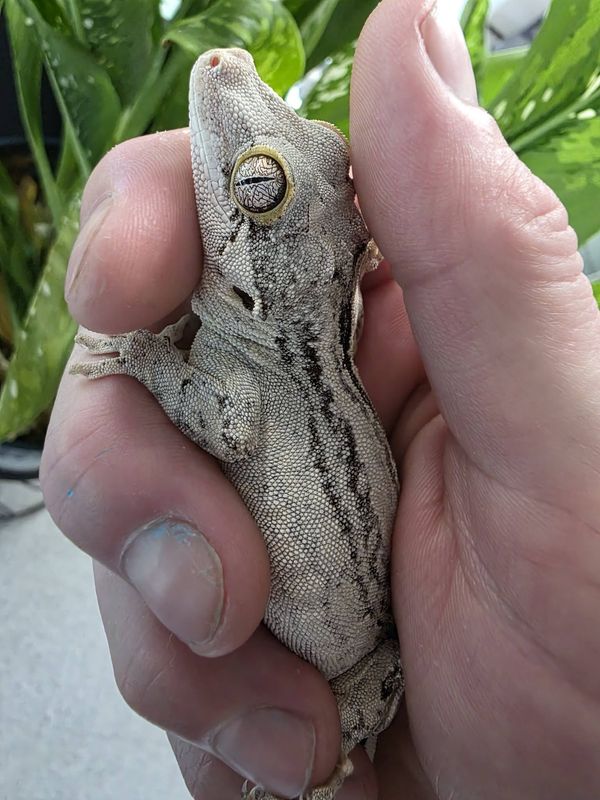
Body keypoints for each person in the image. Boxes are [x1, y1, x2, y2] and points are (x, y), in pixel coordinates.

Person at [40, 0, 600, 797]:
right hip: (370, 662)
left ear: (258, 279)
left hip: (360, 663)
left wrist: (143, 356)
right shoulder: (278, 351)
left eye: (258, 184)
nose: (224, 68)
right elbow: (232, 415)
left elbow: (229, 424)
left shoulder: (258, 370)